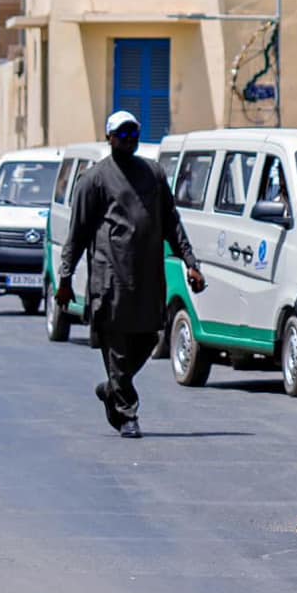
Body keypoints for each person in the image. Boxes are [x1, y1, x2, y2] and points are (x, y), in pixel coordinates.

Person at [55, 110, 206, 438]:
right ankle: (127, 413)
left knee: (149, 338)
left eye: (133, 133)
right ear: (109, 137)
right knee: (118, 346)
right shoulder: (93, 179)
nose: (129, 139)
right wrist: (65, 280)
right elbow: (76, 235)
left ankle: (112, 388)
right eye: (122, 134)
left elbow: (171, 222)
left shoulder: (153, 174)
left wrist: (190, 262)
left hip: (148, 279)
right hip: (110, 280)